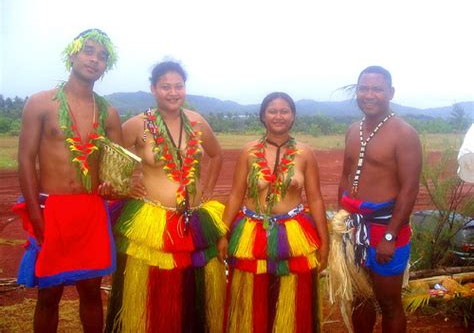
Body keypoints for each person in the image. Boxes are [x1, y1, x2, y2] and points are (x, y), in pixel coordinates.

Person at [13, 29, 122, 332]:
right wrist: (35, 212)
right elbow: (25, 159)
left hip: (91, 211)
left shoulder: (109, 113)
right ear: (72, 54)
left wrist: (112, 186)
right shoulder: (40, 103)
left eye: (102, 56)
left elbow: (117, 169)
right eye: (88, 51)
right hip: (52, 208)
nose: (94, 59)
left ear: (106, 66)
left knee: (91, 291)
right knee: (49, 293)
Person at [105, 60, 227, 332]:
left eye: (178, 86)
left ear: (185, 88)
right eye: (165, 87)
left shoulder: (197, 122)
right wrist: (124, 187)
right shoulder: (138, 125)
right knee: (151, 289)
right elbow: (109, 159)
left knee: (192, 290)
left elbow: (216, 154)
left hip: (193, 219)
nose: (173, 92)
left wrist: (208, 188)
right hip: (152, 220)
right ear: (153, 89)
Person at [217, 92, 329, 333]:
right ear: (263, 116)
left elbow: (316, 199)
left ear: (293, 116)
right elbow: (236, 194)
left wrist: (324, 242)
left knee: (290, 298)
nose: (279, 116)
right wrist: (223, 233)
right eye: (272, 111)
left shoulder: (305, 153)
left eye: (284, 111)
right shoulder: (248, 152)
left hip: (294, 233)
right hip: (251, 232)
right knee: (250, 296)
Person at [333, 66, 422, 333]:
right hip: (353, 227)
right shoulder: (353, 130)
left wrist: (389, 236)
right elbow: (345, 177)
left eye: (377, 89)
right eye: (363, 88)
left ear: (390, 93)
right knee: (360, 298)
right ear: (357, 91)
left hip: (385, 229)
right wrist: (341, 220)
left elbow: (409, 189)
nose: (369, 95)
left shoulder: (404, 134)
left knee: (389, 303)